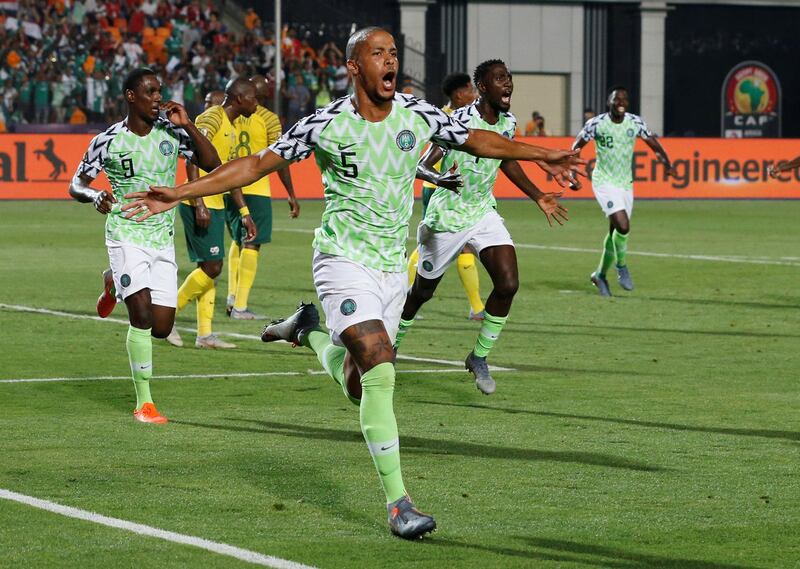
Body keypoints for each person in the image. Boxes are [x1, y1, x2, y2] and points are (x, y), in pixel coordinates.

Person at [122, 27, 584, 538]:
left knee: (356, 383)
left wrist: (543, 154)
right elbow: (254, 165)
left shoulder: (419, 114)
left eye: (392, 53)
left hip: (390, 266)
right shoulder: (325, 124)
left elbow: (477, 139)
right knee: (382, 369)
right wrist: (180, 191)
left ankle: (306, 331)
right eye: (378, 53)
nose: (390, 61)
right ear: (354, 66)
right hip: (342, 260)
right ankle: (399, 505)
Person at [394, 60, 568, 395]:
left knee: (508, 283)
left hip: (482, 212)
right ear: (484, 87)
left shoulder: (509, 122)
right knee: (421, 293)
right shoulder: (458, 121)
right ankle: (393, 344)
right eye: (500, 79)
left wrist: (538, 196)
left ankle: (478, 357)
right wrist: (438, 178)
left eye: (510, 78)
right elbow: (421, 164)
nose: (508, 84)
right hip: (447, 217)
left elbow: (505, 159)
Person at [69, 67, 221, 423]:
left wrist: (188, 126)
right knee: (140, 317)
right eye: (150, 92)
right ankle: (145, 403)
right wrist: (93, 195)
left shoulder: (171, 133)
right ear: (131, 96)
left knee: (162, 327)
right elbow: (76, 183)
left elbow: (213, 164)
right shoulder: (107, 140)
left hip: (161, 239)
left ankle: (112, 281)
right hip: (125, 234)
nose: (158, 98)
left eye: (160, 91)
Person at [166, 79, 258, 349]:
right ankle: (167, 314)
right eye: (253, 97)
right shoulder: (213, 117)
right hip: (201, 204)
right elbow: (191, 155)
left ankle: (204, 335)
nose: (257, 103)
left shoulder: (230, 125)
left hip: (216, 203)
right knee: (212, 266)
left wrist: (244, 211)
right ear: (240, 98)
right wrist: (199, 203)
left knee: (210, 266)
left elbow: (229, 174)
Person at [571, 85, 673, 296]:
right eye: (617, 99)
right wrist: (571, 172)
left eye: (624, 100)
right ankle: (622, 266)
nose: (621, 103)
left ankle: (599, 275)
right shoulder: (597, 124)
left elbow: (654, 144)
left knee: (615, 231)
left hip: (625, 184)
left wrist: (666, 162)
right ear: (609, 102)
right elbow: (576, 147)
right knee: (623, 226)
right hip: (604, 182)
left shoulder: (635, 123)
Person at [406, 72, 485, 320]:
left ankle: (477, 307)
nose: (475, 95)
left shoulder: (449, 114)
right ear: (460, 94)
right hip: (439, 188)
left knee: (458, 245)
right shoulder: (448, 118)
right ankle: (476, 308)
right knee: (441, 245)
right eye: (471, 90)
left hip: (454, 189)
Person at [225, 74, 301, 320]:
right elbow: (280, 158)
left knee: (238, 241)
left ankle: (231, 296)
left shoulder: (233, 113)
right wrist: (291, 193)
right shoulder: (268, 118)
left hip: (229, 186)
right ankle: (240, 306)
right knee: (252, 243)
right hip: (255, 188)